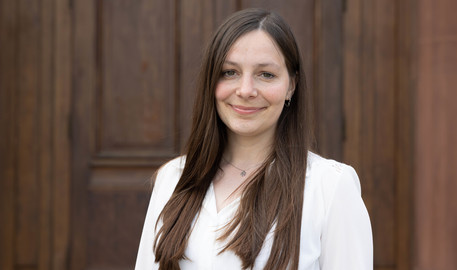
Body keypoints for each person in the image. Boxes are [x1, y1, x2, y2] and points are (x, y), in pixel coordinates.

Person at [135, 8, 373, 270]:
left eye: (266, 74)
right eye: (230, 72)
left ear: (291, 86)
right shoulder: (173, 178)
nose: (246, 90)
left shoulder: (329, 187)